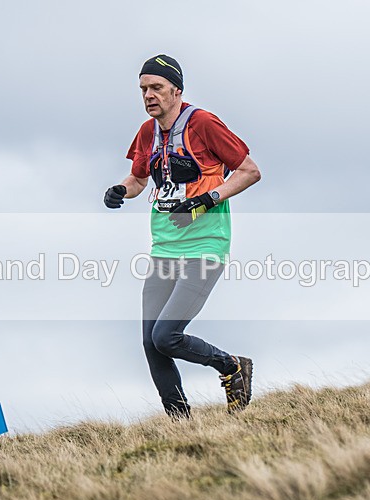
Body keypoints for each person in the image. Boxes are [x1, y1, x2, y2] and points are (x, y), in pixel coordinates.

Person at [104, 54, 262, 418]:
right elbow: (139, 179)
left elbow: (249, 171)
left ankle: (231, 366)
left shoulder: (203, 123)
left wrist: (208, 198)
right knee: (151, 342)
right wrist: (121, 190)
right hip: (164, 248)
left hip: (205, 246)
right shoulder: (148, 132)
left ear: (176, 90)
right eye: (143, 89)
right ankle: (179, 423)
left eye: (156, 87)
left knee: (166, 336)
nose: (149, 95)